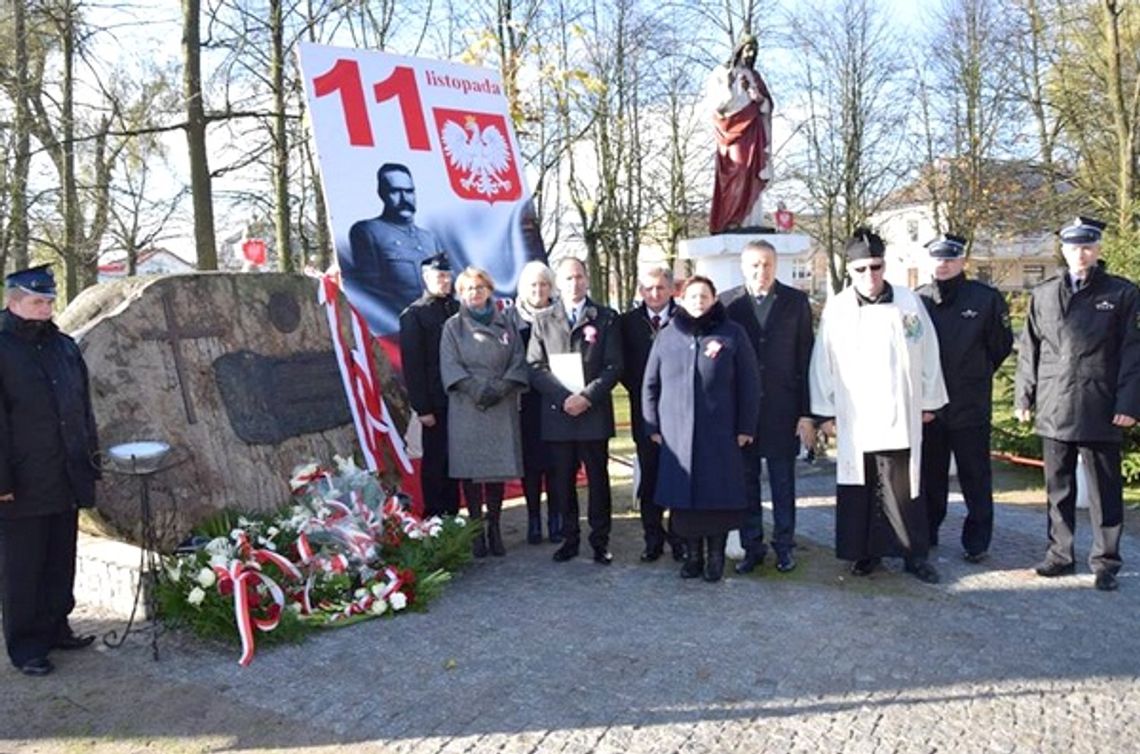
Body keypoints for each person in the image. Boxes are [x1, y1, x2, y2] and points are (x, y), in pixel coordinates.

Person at [809, 229, 948, 583]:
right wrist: (825, 412)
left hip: (901, 410)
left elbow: (927, 349)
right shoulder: (838, 308)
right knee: (863, 487)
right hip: (856, 418)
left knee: (905, 486)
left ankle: (914, 555)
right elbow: (822, 361)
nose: (869, 276)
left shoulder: (907, 303)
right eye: (860, 270)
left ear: (884, 266)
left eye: (876, 267)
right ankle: (864, 553)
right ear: (850, 270)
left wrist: (929, 400)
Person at [1015, 216, 1140, 592]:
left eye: (1088, 246)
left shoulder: (1121, 293)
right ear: (1064, 251)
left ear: (1098, 249)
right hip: (1055, 403)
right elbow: (1029, 349)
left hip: (1100, 403)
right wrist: (1025, 395)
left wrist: (1129, 402)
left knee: (1104, 489)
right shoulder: (1044, 293)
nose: (1081, 254)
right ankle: (1060, 555)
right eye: (1073, 247)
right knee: (1058, 487)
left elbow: (1133, 352)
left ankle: (1106, 562)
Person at [0, 265, 100, 676]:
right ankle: (25, 645)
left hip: (65, 471)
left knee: (61, 557)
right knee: (23, 565)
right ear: (13, 302)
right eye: (37, 302)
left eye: (48, 302)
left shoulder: (63, 346)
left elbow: (82, 408)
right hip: (21, 479)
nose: (45, 309)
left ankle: (57, 626)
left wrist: (90, 460)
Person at [642, 276, 760, 582]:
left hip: (720, 435)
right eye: (692, 296)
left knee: (716, 500)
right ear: (682, 299)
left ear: (714, 298)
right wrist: (652, 425)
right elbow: (650, 385)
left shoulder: (733, 333)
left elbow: (750, 384)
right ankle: (692, 557)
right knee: (684, 502)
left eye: (704, 296)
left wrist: (746, 426)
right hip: (676, 437)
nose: (698, 301)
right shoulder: (667, 336)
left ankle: (715, 558)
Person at [916, 233, 1013, 563]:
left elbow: (1000, 346)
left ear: (962, 262)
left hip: (969, 402)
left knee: (975, 474)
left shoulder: (985, 298)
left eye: (950, 258)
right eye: (938, 258)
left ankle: (977, 541)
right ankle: (927, 532)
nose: (943, 264)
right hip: (930, 405)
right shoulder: (918, 300)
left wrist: (975, 373)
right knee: (931, 474)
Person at [720, 240, 815, 574]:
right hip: (743, 413)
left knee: (783, 483)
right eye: (755, 266)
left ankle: (785, 547)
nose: (761, 272)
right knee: (746, 482)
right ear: (744, 267)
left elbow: (806, 358)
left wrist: (807, 414)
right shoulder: (727, 303)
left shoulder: (796, 301)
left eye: (767, 265)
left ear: (776, 266)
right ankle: (752, 547)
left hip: (783, 409)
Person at [527, 256, 622, 565]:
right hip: (559, 414)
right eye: (568, 278)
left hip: (592, 413)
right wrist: (564, 397)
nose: (575, 283)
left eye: (579, 276)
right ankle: (569, 539)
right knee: (561, 481)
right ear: (558, 282)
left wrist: (586, 397)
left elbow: (614, 366)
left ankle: (600, 541)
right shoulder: (543, 320)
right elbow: (534, 366)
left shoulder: (605, 317)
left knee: (598, 480)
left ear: (587, 279)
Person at [440, 267, 529, 557]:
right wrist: (478, 389)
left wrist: (502, 388)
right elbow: (450, 365)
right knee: (471, 471)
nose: (474, 293)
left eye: (479, 287)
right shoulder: (453, 326)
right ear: (460, 293)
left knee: (496, 470)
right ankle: (476, 529)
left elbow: (518, 358)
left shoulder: (506, 323)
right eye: (468, 289)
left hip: (501, 404)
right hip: (468, 405)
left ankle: (495, 527)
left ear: (490, 290)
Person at [619, 264, 685, 563]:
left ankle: (681, 538)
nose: (654, 293)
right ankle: (653, 538)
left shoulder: (684, 319)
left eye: (660, 287)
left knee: (680, 476)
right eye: (648, 288)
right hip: (645, 413)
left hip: (681, 413)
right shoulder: (627, 323)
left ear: (672, 289)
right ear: (640, 291)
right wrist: (643, 392)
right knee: (650, 477)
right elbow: (621, 365)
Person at [342, 163, 444, 334]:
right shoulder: (368, 231)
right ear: (381, 193)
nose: (404, 198)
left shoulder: (429, 238)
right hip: (400, 330)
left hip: (438, 326)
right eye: (395, 191)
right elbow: (370, 292)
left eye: (409, 191)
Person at [506, 261, 563, 544]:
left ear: (551, 287)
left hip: (555, 396)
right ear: (523, 289)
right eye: (533, 285)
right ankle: (533, 520)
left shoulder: (561, 317)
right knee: (531, 465)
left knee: (555, 463)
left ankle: (556, 518)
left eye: (543, 284)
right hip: (525, 401)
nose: (538, 290)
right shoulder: (510, 319)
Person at [399, 254, 460, 518]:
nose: (445, 281)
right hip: (435, 402)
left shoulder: (459, 309)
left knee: (457, 460)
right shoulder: (414, 314)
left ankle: (454, 512)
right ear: (426, 279)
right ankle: (435, 515)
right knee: (436, 460)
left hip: (460, 399)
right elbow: (412, 366)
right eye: (439, 277)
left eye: (448, 276)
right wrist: (422, 407)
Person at [705, 33, 773, 234]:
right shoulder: (722, 72)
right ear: (739, 49)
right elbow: (716, 104)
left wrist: (758, 98)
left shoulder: (756, 76)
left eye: (754, 50)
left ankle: (750, 220)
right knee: (737, 169)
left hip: (753, 130)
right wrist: (729, 86)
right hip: (732, 130)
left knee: (752, 171)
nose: (750, 54)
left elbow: (767, 106)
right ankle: (731, 218)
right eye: (747, 49)